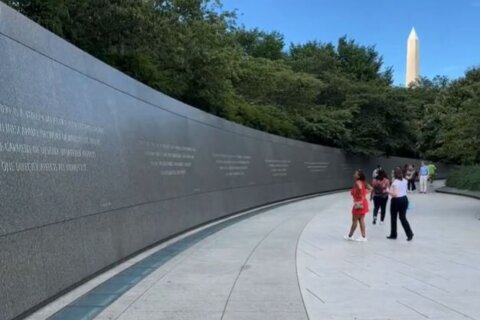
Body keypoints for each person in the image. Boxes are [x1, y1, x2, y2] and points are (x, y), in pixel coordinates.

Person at [387, 167, 414, 241]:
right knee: (403, 217)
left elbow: (395, 194)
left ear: (395, 174)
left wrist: (387, 191)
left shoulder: (395, 182)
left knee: (393, 218)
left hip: (396, 201)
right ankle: (409, 234)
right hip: (404, 199)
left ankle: (393, 234)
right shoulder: (405, 180)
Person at [345, 170, 370, 242]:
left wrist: (359, 193)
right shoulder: (364, 183)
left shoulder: (357, 182)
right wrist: (364, 194)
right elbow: (371, 188)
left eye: (355, 174)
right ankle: (363, 237)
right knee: (361, 220)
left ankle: (350, 236)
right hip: (363, 202)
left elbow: (359, 188)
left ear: (358, 176)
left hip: (358, 204)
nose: (354, 174)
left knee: (355, 220)